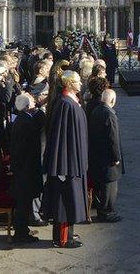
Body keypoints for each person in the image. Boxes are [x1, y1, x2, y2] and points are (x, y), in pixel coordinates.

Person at [42, 71, 89, 249]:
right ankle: (62, 238)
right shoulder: (65, 104)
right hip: (67, 164)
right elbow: (60, 138)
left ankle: (69, 233)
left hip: (75, 160)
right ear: (69, 84)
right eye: (77, 82)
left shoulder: (71, 101)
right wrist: (62, 166)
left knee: (72, 199)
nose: (80, 84)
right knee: (65, 201)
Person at [10, 92, 44, 244]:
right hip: (26, 170)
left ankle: (22, 230)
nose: (34, 104)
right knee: (23, 203)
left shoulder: (24, 119)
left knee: (24, 202)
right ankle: (21, 233)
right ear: (27, 106)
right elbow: (24, 149)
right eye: (32, 102)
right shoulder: (25, 122)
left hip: (24, 169)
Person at [88, 89, 123, 223]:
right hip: (108, 157)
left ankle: (103, 210)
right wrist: (116, 157)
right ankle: (107, 211)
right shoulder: (110, 114)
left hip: (97, 154)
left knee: (102, 185)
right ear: (113, 100)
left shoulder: (96, 110)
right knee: (110, 186)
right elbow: (113, 138)